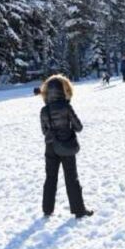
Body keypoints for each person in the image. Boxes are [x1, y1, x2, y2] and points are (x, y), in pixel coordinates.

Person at [39, 75, 93, 219]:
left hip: (50, 147)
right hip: (67, 145)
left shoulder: (44, 111)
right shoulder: (66, 107)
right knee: (71, 178)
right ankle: (79, 210)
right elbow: (79, 127)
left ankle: (47, 209)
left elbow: (44, 131)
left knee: (50, 177)